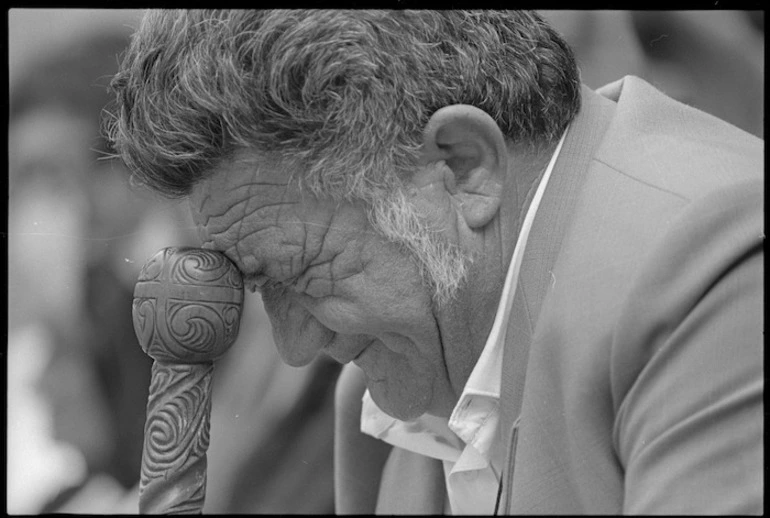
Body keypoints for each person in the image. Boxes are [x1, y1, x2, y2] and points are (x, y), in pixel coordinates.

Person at [105, 10, 763, 515]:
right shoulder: (382, 400)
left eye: (300, 272)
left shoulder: (716, 269)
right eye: (262, 289)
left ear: (461, 166)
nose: (297, 346)